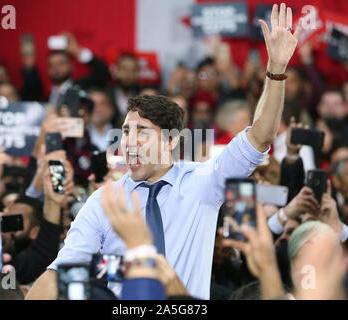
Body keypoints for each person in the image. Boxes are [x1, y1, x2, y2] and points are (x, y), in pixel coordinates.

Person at [26, 3, 303, 300]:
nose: (128, 142)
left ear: (171, 141)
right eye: (126, 132)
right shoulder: (105, 202)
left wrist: (275, 69)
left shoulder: (205, 182)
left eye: (141, 132)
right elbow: (61, 272)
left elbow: (260, 137)